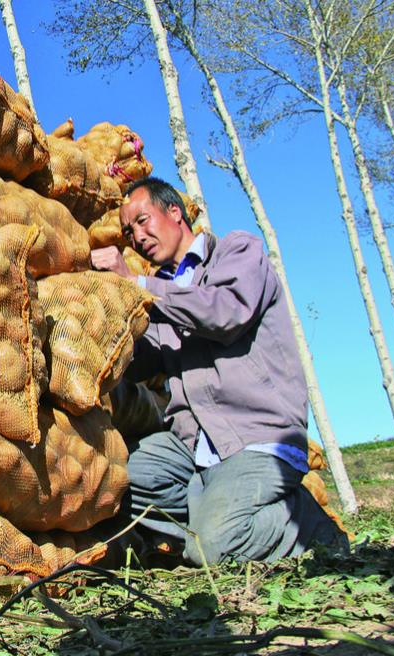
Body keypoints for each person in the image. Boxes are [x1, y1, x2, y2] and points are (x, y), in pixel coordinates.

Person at [92, 177, 347, 566]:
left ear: (174, 212)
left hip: (255, 436)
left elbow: (225, 312)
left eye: (143, 221)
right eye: (129, 231)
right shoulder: (158, 291)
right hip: (194, 445)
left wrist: (138, 286)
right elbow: (144, 360)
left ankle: (309, 526)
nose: (137, 236)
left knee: (213, 547)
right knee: (114, 482)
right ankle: (214, 511)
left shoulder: (236, 251)